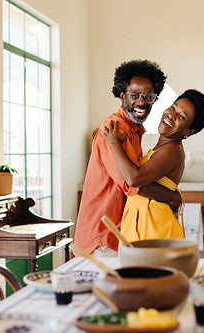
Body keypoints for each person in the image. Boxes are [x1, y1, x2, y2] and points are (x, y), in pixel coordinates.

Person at [74, 59, 181, 257]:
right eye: (134, 95)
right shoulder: (115, 129)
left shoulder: (134, 130)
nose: (141, 102)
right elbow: (131, 183)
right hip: (103, 236)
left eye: (148, 97)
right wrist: (172, 197)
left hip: (117, 233)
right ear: (122, 96)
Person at [103, 89, 204, 242]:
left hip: (155, 231)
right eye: (173, 108)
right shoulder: (159, 149)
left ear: (189, 130)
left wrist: (115, 144)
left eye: (181, 116)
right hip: (143, 228)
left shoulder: (172, 150)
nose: (171, 116)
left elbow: (134, 178)